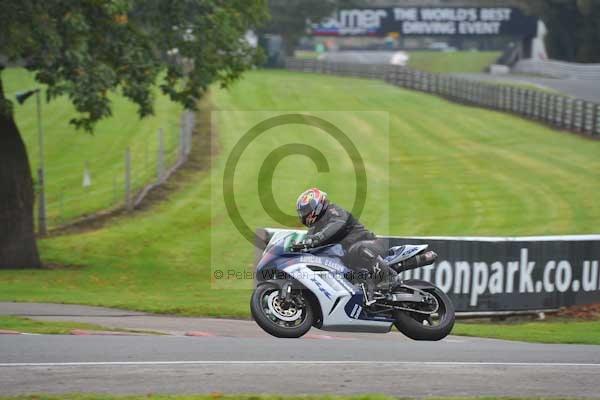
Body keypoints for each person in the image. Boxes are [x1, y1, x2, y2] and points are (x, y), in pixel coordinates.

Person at [294, 188, 397, 301]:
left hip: (369, 244)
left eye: (306, 211)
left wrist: (315, 239)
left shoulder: (333, 210)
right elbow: (307, 241)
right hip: (349, 259)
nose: (304, 215)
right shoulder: (315, 228)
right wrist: (297, 247)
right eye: (302, 213)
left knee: (356, 249)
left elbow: (336, 225)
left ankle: (387, 277)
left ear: (316, 206)